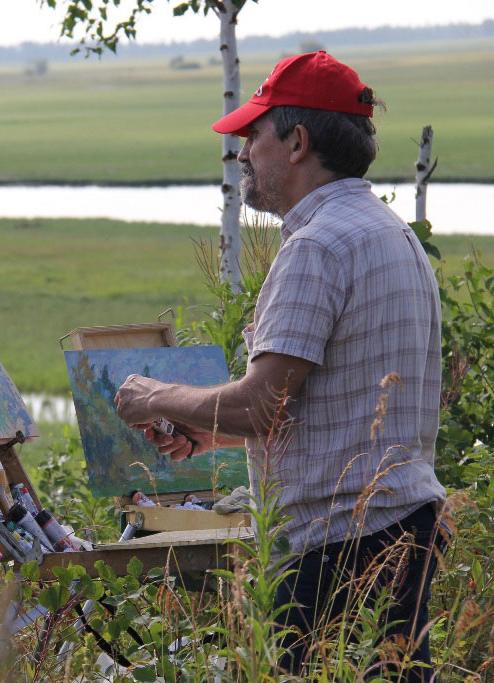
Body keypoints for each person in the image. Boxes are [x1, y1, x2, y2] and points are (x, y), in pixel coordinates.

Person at [113, 51, 446, 681]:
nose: (242, 153)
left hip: (336, 553)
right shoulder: (388, 232)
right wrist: (211, 432)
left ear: (297, 142)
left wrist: (157, 396)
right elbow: (342, 402)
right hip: (399, 534)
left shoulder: (316, 246)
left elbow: (260, 404)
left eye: (253, 134)